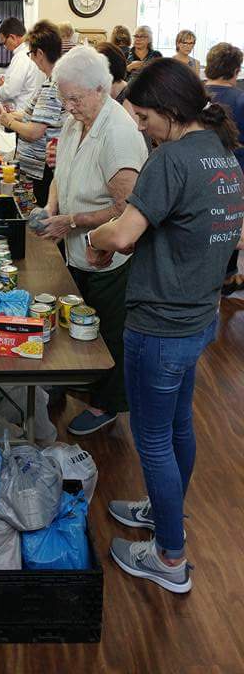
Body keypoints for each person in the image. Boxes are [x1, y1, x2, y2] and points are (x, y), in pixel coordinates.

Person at [87, 59, 244, 594]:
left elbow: (125, 234)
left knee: (152, 440)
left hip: (160, 324)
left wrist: (95, 239)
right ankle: (162, 510)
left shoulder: (171, 159)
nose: (138, 125)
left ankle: (170, 559)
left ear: (171, 111)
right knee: (177, 426)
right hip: (199, 318)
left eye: (144, 115)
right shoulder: (224, 156)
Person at [37, 46, 148, 435]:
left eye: (74, 98)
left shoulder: (118, 133)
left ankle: (107, 406)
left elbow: (127, 206)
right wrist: (52, 208)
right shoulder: (76, 119)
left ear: (100, 89)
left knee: (108, 330)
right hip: (75, 247)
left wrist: (72, 221)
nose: (67, 106)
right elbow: (61, 174)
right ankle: (72, 381)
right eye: (63, 97)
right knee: (76, 321)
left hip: (108, 255)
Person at [0, 19, 64, 207]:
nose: (31, 59)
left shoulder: (52, 86)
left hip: (45, 166)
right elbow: (36, 116)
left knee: (46, 210)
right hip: (44, 163)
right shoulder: (51, 80)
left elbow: (35, 132)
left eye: (31, 54)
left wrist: (8, 121)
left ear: (40, 53)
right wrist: (14, 116)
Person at [205, 42, 244, 294]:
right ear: (236, 70)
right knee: (229, 223)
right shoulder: (240, 99)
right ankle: (227, 276)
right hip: (233, 175)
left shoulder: (195, 95)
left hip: (199, 172)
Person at [0, 16, 44, 111]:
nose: (5, 47)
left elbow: (9, 92)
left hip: (21, 113)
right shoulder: (32, 52)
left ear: (12, 37)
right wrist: (5, 83)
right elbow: (22, 85)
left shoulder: (21, 57)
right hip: (31, 110)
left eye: (4, 43)